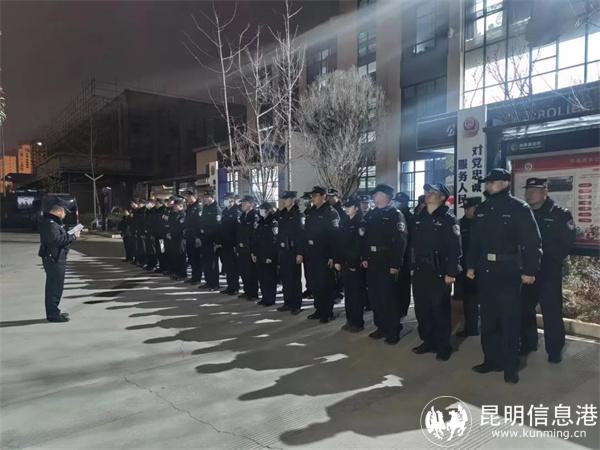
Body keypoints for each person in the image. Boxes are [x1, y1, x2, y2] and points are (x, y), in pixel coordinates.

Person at [466, 168, 542, 384]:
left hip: (509, 270)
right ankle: (491, 360)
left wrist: (530, 270)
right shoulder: (483, 209)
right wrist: (470, 265)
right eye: (487, 183)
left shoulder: (518, 208)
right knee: (488, 319)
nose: (488, 186)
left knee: (509, 320)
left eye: (492, 182)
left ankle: (510, 366)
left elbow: (532, 242)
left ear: (505, 183)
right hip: (486, 271)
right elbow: (474, 241)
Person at [520, 177, 576, 363]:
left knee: (551, 312)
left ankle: (554, 350)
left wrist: (545, 258)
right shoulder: (524, 213)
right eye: (527, 191)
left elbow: (566, 243)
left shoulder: (560, 214)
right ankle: (528, 343)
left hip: (548, 271)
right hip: (527, 270)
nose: (529, 194)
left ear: (545, 192)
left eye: (534, 191)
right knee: (525, 309)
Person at [410, 183, 462, 361]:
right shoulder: (419, 217)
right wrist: (411, 266)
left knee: (439, 309)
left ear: (442, 197)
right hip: (420, 270)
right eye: (427, 192)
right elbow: (412, 245)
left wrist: (451, 272)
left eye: (433, 193)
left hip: (439, 271)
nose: (428, 195)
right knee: (422, 309)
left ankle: (443, 346)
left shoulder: (448, 219)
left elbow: (455, 249)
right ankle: (428, 341)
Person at [361, 184, 408, 344]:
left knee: (389, 298)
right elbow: (365, 238)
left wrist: (396, 264)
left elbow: (401, 242)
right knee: (375, 297)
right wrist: (365, 257)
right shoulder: (371, 214)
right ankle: (381, 326)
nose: (374, 197)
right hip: (373, 261)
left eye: (376, 194)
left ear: (386, 196)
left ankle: (393, 329)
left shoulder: (395, 214)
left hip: (387, 261)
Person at [299, 186, 340, 323]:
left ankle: (327, 312)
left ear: (323, 196)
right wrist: (303, 251)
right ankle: (319, 309)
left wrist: (332, 256)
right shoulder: (311, 211)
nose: (313, 198)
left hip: (324, 254)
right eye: (312, 196)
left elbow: (335, 236)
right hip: (311, 253)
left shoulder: (330, 212)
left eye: (315, 195)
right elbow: (305, 232)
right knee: (314, 283)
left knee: (325, 284)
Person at [38, 198, 81, 322]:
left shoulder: (53, 223)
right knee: (54, 287)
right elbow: (56, 240)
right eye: (65, 212)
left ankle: (54, 311)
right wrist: (73, 236)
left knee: (56, 286)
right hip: (54, 258)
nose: (65, 215)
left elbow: (59, 237)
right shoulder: (50, 223)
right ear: (59, 211)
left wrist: (69, 234)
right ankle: (53, 315)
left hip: (56, 257)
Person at [334, 196, 367, 332]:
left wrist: (355, 262)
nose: (346, 209)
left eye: (349, 206)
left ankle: (357, 322)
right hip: (345, 263)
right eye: (346, 206)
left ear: (356, 208)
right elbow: (339, 243)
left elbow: (361, 246)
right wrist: (337, 260)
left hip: (355, 264)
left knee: (356, 294)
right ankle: (350, 320)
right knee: (348, 294)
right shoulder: (344, 222)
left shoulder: (361, 223)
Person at [456, 196, 482, 337]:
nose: (466, 211)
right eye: (465, 208)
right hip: (466, 268)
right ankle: (471, 328)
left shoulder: (484, 223)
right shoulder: (460, 224)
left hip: (483, 268)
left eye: (469, 208)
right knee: (469, 299)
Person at [275, 191, 304, 315]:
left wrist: (300, 253)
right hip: (283, 250)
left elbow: (301, 235)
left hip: (293, 250)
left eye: (286, 199)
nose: (284, 201)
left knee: (295, 279)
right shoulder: (282, 213)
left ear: (292, 200)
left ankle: (296, 305)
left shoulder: (297, 214)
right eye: (283, 199)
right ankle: (287, 302)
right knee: (285, 278)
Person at [252, 202, 279, 306]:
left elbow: (274, 241)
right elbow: (256, 238)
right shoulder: (261, 221)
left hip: (268, 256)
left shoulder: (273, 222)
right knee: (262, 278)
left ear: (268, 210)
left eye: (262, 209)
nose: (260, 211)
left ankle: (270, 299)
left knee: (269, 278)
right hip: (260, 254)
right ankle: (264, 297)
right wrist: (254, 253)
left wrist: (271, 256)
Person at [393, 192, 413, 318]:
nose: (397, 203)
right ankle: (398, 307)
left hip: (406, 256)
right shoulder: (395, 215)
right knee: (398, 284)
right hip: (398, 255)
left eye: (399, 202)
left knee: (404, 284)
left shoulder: (409, 217)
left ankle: (402, 308)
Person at [236, 195, 260, 302]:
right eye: (242, 203)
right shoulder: (242, 216)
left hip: (250, 249)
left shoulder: (254, 216)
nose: (242, 205)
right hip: (242, 248)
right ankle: (247, 291)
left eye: (245, 203)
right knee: (244, 271)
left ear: (251, 204)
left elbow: (254, 235)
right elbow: (239, 233)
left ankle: (253, 293)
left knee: (251, 272)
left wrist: (253, 251)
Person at [198, 190, 222, 291]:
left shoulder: (216, 209)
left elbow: (217, 226)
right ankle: (208, 281)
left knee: (213, 263)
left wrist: (217, 242)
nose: (205, 199)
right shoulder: (205, 207)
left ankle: (214, 284)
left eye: (207, 197)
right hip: (205, 239)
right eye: (204, 197)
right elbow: (202, 222)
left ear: (212, 197)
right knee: (206, 262)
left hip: (212, 240)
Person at [219, 193, 241, 295]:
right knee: (227, 266)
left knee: (233, 267)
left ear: (232, 200)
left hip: (232, 244)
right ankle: (230, 286)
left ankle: (235, 287)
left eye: (227, 199)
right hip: (225, 243)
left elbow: (238, 230)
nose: (225, 201)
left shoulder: (236, 211)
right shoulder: (225, 211)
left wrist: (236, 245)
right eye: (225, 199)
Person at [182, 189, 203, 283]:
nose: (187, 198)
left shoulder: (198, 207)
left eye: (189, 196)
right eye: (187, 196)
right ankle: (194, 276)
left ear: (194, 197)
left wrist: (198, 237)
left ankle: (197, 277)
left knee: (196, 257)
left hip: (195, 236)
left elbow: (199, 223)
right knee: (191, 257)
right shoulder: (189, 207)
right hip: (189, 235)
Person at [166, 196, 187, 280]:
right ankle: (176, 272)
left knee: (181, 256)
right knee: (175, 255)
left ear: (180, 206)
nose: (174, 207)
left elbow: (180, 227)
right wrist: (169, 233)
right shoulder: (174, 214)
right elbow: (171, 225)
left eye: (175, 205)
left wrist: (173, 233)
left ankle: (182, 274)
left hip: (181, 238)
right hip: (174, 237)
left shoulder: (183, 214)